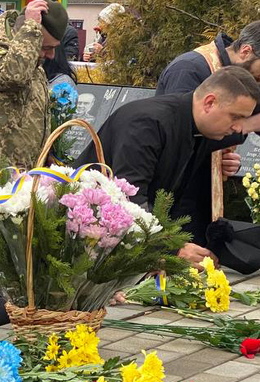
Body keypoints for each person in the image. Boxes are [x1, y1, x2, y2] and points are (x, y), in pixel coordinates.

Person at [76, 67, 260, 266]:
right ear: (209, 102)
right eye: (235, 117)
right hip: (83, 241)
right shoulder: (146, 124)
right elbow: (129, 199)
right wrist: (173, 250)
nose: (239, 127)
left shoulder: (200, 124)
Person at [153, 21, 260, 246]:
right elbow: (181, 135)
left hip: (204, 195)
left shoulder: (241, 75)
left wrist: (223, 156)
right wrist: (245, 127)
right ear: (246, 51)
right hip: (174, 199)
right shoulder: (190, 69)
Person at [0, 0, 68, 208]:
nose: (51, 55)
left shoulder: (30, 59)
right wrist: (32, 28)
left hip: (19, 186)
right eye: (46, 47)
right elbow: (13, 75)